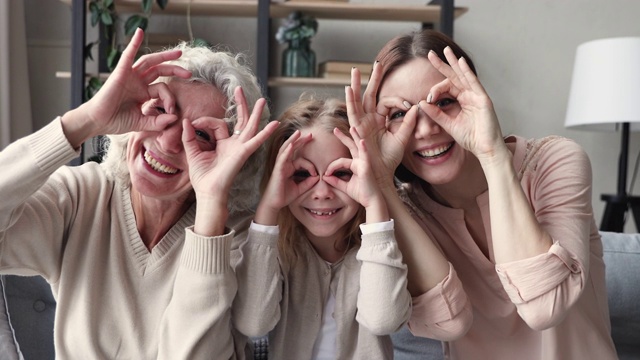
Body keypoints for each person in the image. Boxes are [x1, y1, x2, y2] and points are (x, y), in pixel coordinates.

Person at [0, 28, 278, 359]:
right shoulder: (81, 196)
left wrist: (210, 208)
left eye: (202, 135)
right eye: (161, 111)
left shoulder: (238, 238)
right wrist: (87, 119)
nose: (169, 142)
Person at [345, 29, 618, 359]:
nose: (427, 128)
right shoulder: (402, 210)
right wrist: (382, 184)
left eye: (444, 102)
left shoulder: (555, 162)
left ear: (477, 99)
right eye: (400, 114)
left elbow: (545, 307)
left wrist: (492, 154)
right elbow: (448, 324)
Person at [231, 97, 412, 359]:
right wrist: (269, 207)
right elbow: (252, 322)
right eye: (302, 175)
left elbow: (383, 320)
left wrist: (374, 202)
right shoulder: (275, 247)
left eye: (341, 173)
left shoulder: (380, 247)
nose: (322, 193)